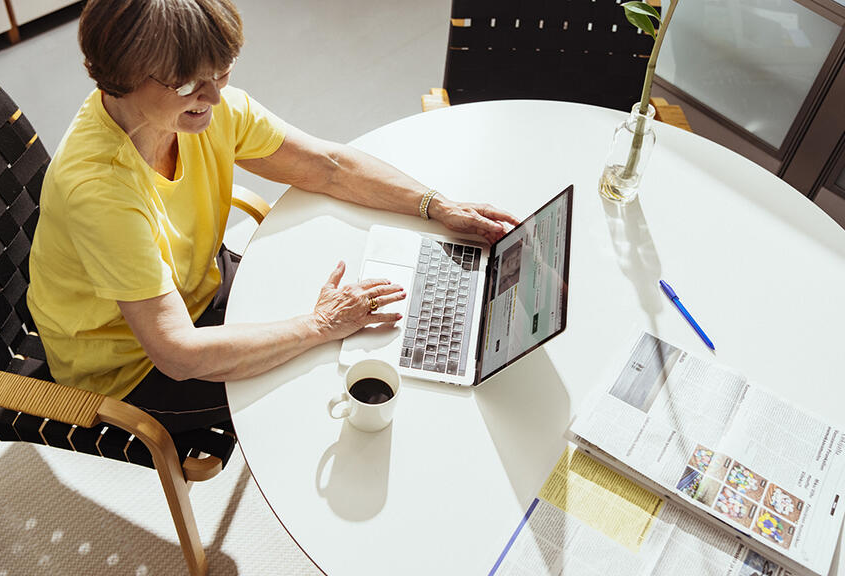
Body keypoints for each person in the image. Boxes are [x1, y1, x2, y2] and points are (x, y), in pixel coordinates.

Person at [26, 0, 518, 435]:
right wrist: (320, 325)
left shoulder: (201, 110)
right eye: (189, 84)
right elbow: (177, 354)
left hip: (198, 282)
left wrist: (436, 204)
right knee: (325, 375)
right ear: (119, 74)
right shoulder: (99, 190)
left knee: (356, 326)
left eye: (221, 73)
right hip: (128, 367)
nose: (215, 98)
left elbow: (329, 167)